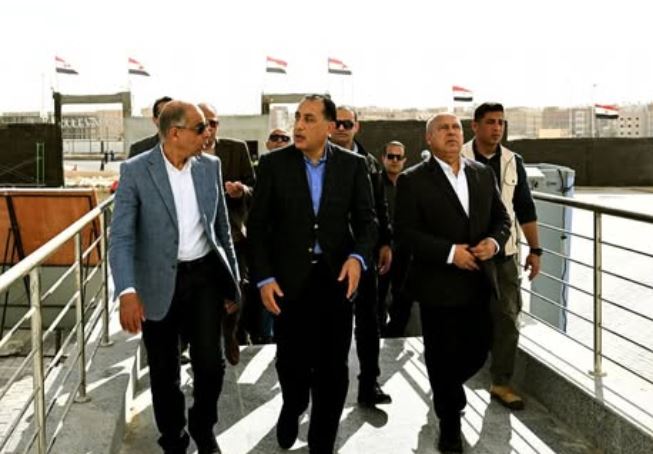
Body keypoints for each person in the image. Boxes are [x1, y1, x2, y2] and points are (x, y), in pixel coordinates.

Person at [247, 94, 376, 454]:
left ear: (330, 127)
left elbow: (368, 223)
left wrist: (357, 258)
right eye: (298, 118)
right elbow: (257, 228)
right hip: (288, 283)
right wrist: (264, 278)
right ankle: (293, 404)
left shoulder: (353, 165)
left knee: (334, 369)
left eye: (309, 119)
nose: (299, 126)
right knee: (292, 364)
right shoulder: (273, 165)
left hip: (336, 280)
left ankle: (321, 444)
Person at [109, 100, 240, 454]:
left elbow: (222, 231)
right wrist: (127, 291)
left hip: (203, 279)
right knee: (164, 373)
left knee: (211, 366)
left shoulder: (210, 166)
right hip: (156, 283)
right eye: (200, 128)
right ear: (175, 133)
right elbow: (121, 237)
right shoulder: (136, 170)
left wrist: (231, 282)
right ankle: (174, 439)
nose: (208, 133)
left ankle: (203, 425)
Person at [394, 113, 510, 453]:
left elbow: (502, 219)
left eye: (456, 127)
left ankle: (446, 385)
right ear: (429, 139)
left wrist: (494, 242)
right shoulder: (412, 180)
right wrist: (449, 253)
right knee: (442, 354)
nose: (451, 132)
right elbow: (406, 233)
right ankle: (449, 425)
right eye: (442, 128)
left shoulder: (482, 173)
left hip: (479, 281)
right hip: (437, 285)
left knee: (479, 349)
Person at [462, 102, 541, 411]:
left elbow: (525, 208)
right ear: (475, 125)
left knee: (508, 319)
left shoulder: (512, 161)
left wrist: (535, 249)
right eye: (491, 122)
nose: (497, 128)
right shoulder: (458, 157)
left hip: (505, 255)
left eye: (501, 122)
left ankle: (501, 382)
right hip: (467, 255)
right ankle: (453, 380)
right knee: (464, 318)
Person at [330, 105, 393, 407]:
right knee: (332, 324)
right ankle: (328, 383)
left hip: (364, 253)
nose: (341, 128)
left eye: (347, 123)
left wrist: (385, 243)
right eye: (337, 123)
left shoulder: (370, 164)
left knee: (369, 322)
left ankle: (369, 383)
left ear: (357, 127)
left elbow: (380, 207)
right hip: (330, 257)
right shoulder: (317, 160)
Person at [198, 103, 259, 347]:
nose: (209, 128)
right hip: (199, 236)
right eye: (203, 123)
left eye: (213, 123)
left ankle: (234, 333)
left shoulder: (236, 149)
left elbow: (255, 188)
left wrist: (241, 190)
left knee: (238, 284)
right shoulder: (185, 152)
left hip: (233, 233)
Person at [377, 141, 412, 337]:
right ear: (383, 158)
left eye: (399, 157)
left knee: (403, 297)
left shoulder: (411, 184)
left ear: (404, 160)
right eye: (391, 156)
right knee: (378, 297)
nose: (395, 160)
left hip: (405, 251)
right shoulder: (374, 183)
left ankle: (394, 335)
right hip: (380, 250)